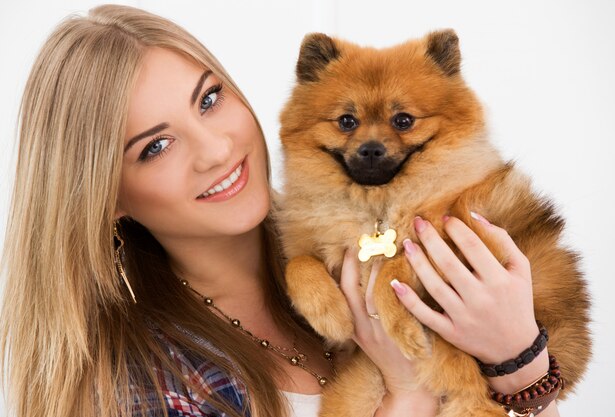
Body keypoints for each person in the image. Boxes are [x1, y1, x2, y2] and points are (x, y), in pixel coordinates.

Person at [0, 4, 560, 417]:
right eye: (155, 146)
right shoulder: (146, 388)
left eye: (210, 99)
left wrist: (521, 360)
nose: (217, 149)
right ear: (104, 197)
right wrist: (407, 389)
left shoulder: (345, 245)